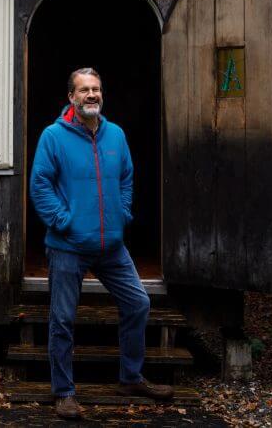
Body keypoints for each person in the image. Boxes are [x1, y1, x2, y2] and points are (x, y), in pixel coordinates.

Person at [30, 67, 173, 420]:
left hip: (110, 245)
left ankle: (131, 377)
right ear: (71, 97)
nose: (91, 95)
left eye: (96, 89)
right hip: (67, 246)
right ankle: (64, 392)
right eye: (84, 90)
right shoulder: (53, 137)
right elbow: (40, 186)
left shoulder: (116, 136)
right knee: (62, 319)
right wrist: (65, 223)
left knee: (138, 302)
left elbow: (126, 177)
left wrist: (122, 212)